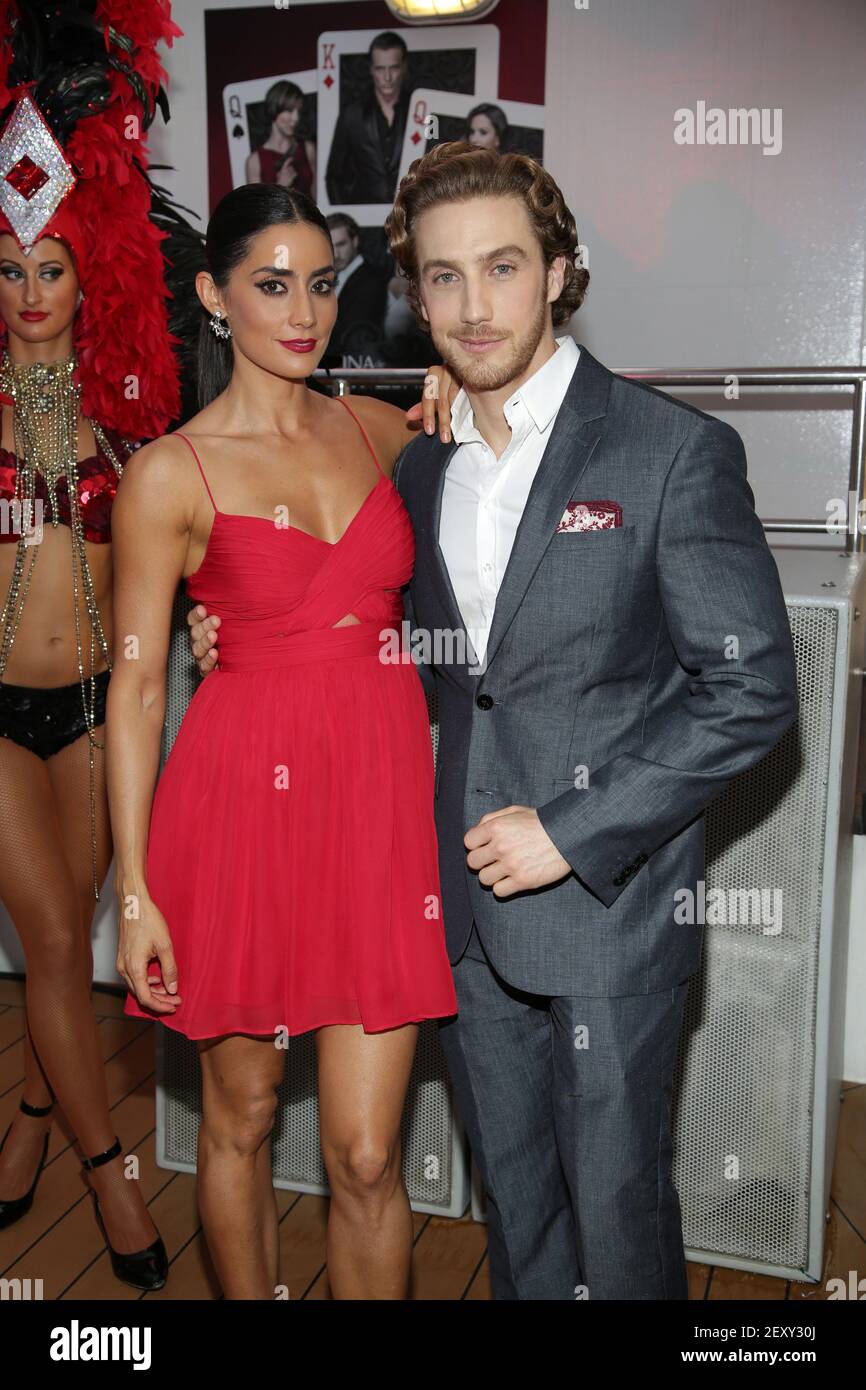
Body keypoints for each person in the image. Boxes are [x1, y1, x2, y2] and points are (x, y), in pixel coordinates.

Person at [189, 142, 800, 1300]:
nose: (474, 308)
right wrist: (238, 642)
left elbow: (751, 685)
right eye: (444, 277)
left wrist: (569, 828)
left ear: (559, 272)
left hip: (607, 916)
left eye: (503, 268)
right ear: (415, 296)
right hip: (458, 918)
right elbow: (402, 657)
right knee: (517, 1218)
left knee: (616, 1224)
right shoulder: (415, 472)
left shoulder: (669, 451)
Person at [108, 182, 458, 1301]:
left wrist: (462, 379)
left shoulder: (380, 426)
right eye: (270, 285)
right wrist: (136, 891)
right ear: (215, 297)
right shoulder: (170, 472)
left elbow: (506, 453)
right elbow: (137, 689)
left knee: (364, 1152)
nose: (301, 310)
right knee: (243, 1116)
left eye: (320, 283)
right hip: (235, 812)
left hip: (376, 813)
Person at [0, 0, 187, 1291]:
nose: (27, 295)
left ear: (89, 271)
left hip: (100, 704)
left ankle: (24, 1122)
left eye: (48, 269)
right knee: (56, 948)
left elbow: (176, 552)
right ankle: (108, 1171)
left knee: (75, 936)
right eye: (6, 272)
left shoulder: (135, 411)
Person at [325, 32, 410, 205]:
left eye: (393, 68)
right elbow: (334, 177)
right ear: (372, 70)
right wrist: (347, 221)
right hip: (363, 224)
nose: (387, 77)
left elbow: (435, 165)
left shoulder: (422, 112)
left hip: (411, 218)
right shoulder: (351, 115)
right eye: (380, 69)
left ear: (404, 68)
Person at [320, 213, 389, 365]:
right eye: (331, 246)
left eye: (341, 244)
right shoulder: (329, 277)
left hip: (355, 366)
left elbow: (352, 331)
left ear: (355, 241)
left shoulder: (372, 279)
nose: (336, 254)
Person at [245, 79, 315, 195]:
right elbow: (255, 212)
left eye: (299, 111)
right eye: (289, 110)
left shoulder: (309, 149)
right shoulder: (254, 161)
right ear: (274, 108)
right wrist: (280, 186)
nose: (296, 118)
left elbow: (318, 202)